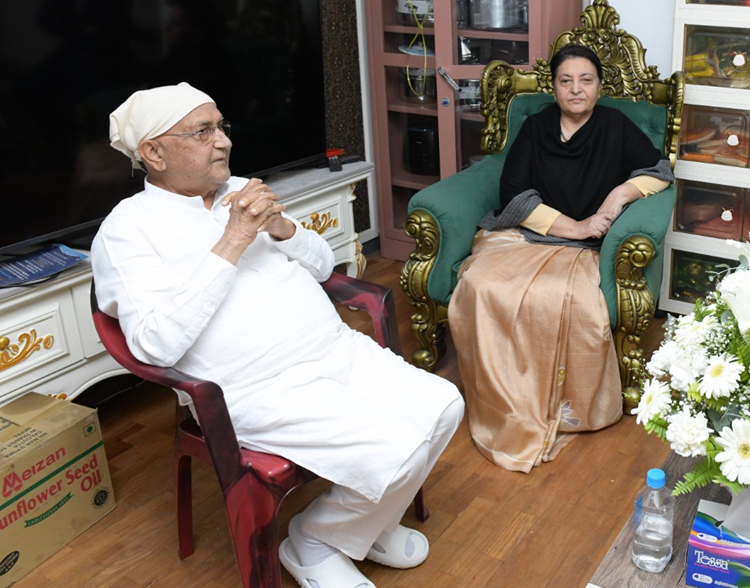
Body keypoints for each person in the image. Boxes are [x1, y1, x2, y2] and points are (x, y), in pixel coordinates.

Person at [92, 83, 464, 588]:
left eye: (221, 127)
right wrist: (233, 240)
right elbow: (153, 346)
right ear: (153, 153)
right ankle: (312, 544)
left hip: (335, 352)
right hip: (257, 390)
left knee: (445, 406)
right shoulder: (127, 231)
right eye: (202, 132)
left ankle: (357, 529)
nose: (223, 141)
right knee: (400, 450)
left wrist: (282, 229)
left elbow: (323, 265)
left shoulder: (240, 190)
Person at [448, 44, 673, 472]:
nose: (576, 89)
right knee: (480, 283)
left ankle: (562, 407)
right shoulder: (536, 127)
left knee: (569, 300)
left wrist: (615, 198)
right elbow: (512, 193)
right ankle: (505, 402)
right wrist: (575, 227)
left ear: (599, 86)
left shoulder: (615, 125)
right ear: (553, 88)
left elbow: (658, 171)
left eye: (586, 80)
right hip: (531, 235)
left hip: (587, 249)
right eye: (565, 81)